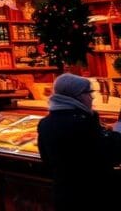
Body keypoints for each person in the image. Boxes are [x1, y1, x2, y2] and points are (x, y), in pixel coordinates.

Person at [37, 73, 121, 211]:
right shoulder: (82, 123)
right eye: (89, 92)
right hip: (92, 197)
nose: (92, 97)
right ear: (78, 95)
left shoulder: (46, 123)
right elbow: (110, 153)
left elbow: (46, 159)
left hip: (64, 195)